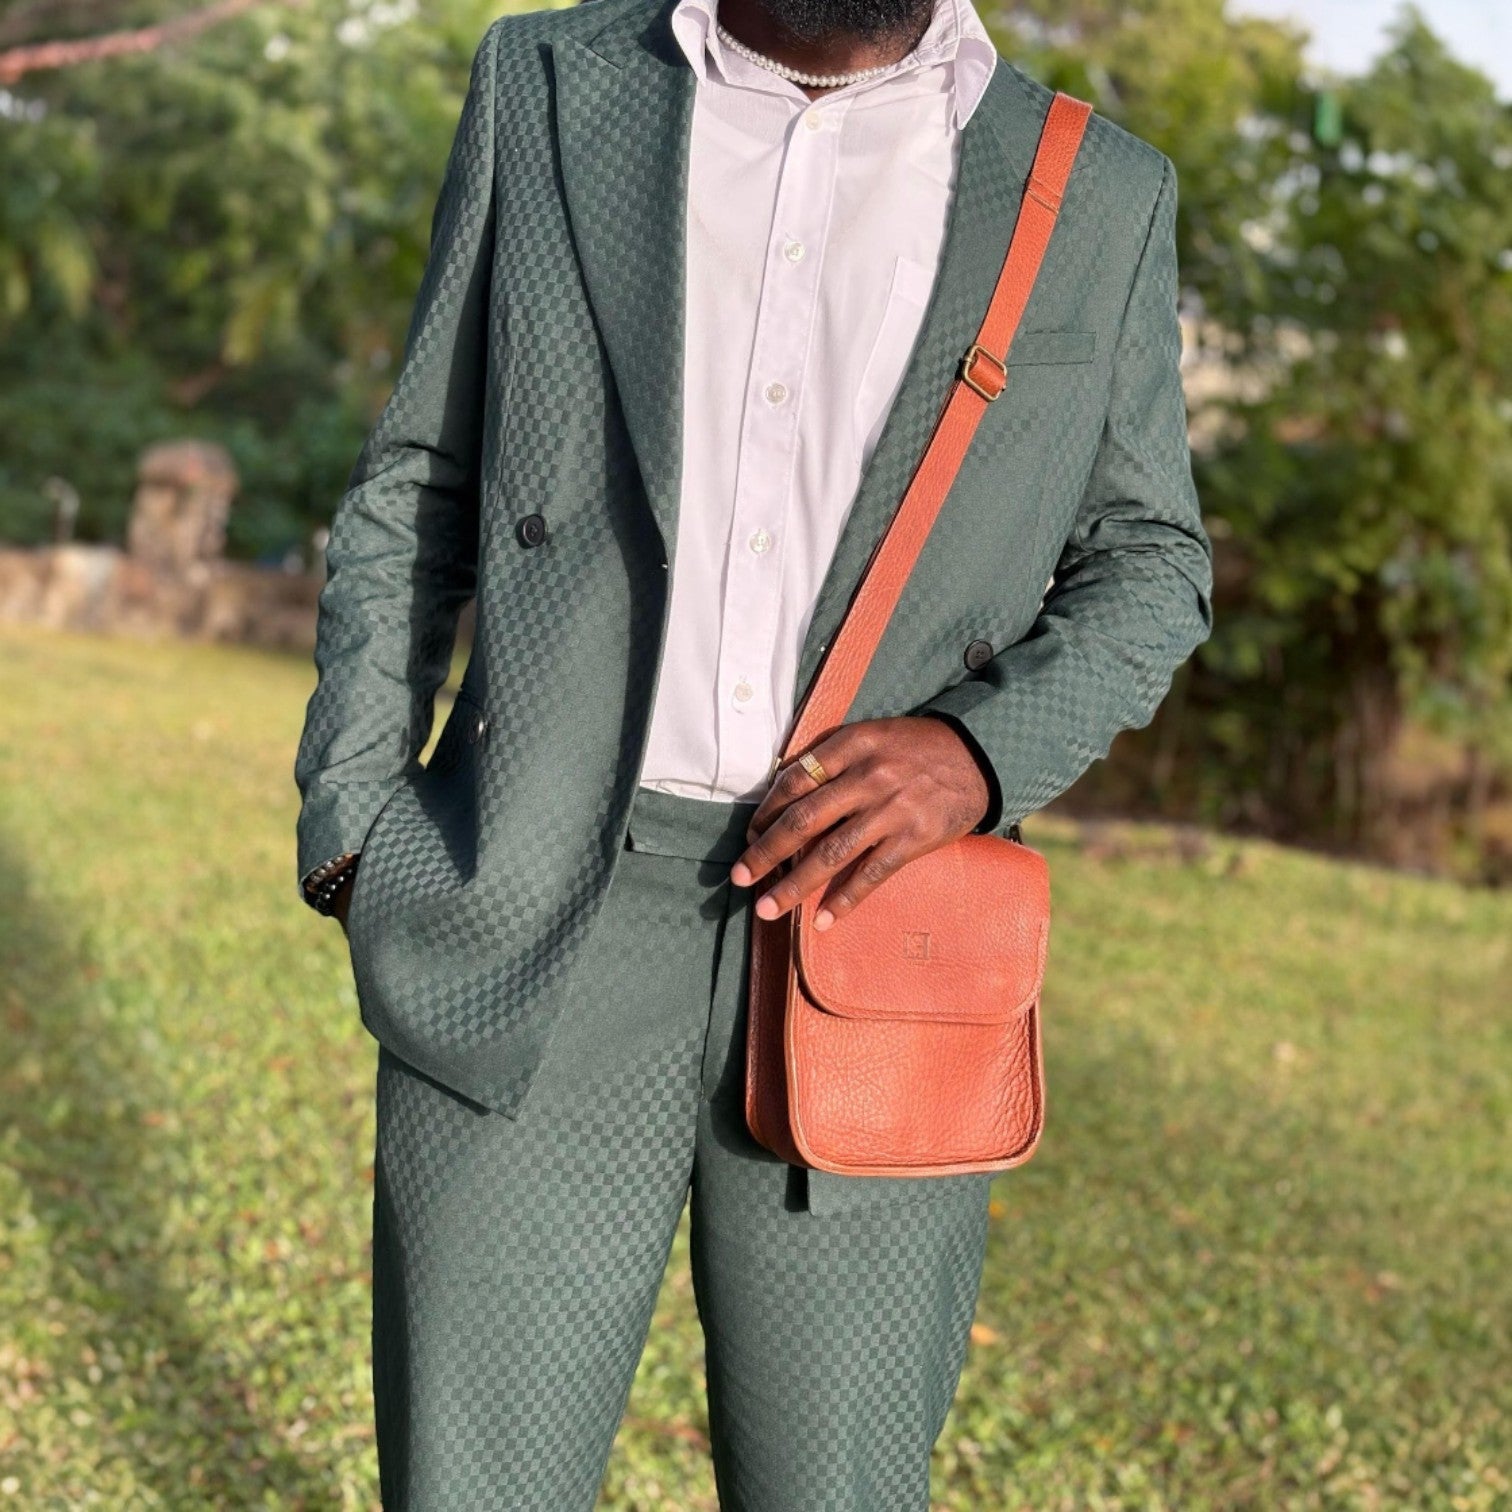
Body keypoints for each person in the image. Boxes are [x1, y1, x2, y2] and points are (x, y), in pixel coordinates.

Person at [292, 0, 1212, 1502]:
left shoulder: (1096, 188)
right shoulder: (550, 82)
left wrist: (972, 757)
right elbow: (422, 474)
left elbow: (1153, 564)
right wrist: (350, 824)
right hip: (534, 895)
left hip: (876, 936)